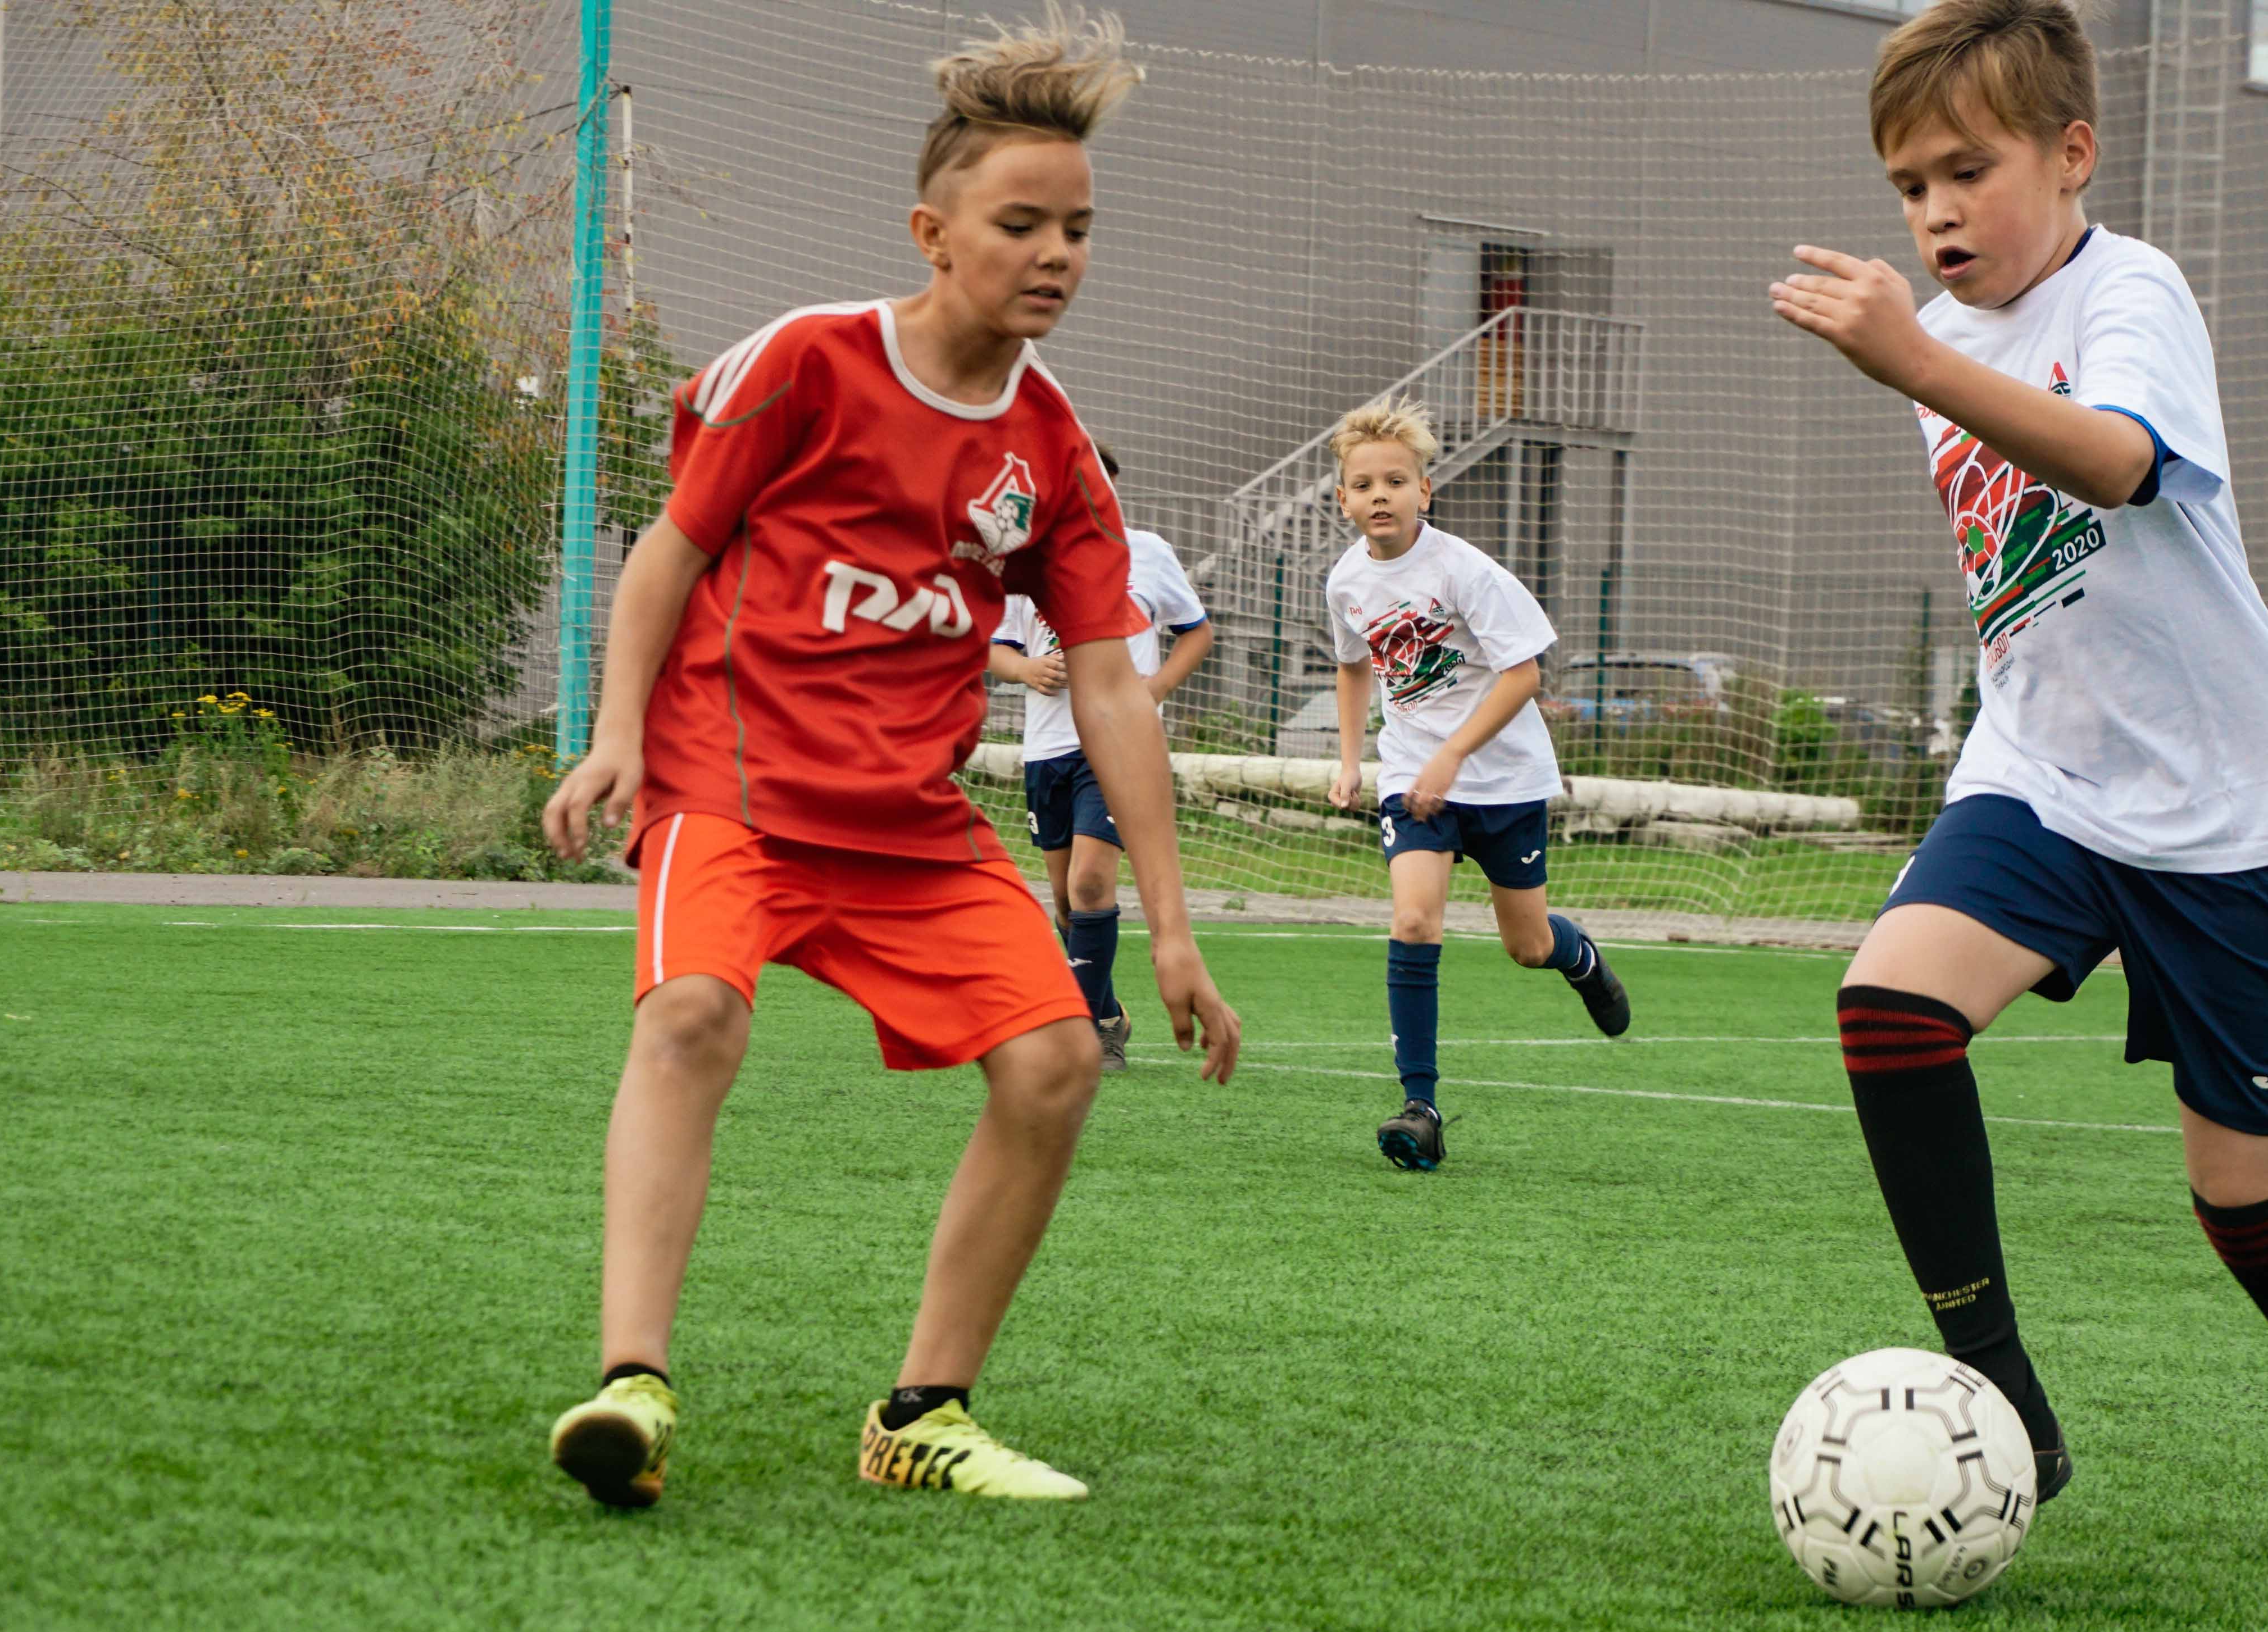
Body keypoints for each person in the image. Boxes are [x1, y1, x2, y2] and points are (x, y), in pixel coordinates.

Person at [535, 10, 1240, 1509]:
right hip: (731, 790)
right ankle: (631, 1388)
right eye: (1022, 224)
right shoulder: (805, 365)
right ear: (933, 231)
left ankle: (923, 1414)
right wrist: (612, 740)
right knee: (691, 1021)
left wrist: (1172, 927)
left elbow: (1114, 693)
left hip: (907, 826)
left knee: (1055, 1065)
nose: (1056, 253)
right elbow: (669, 557)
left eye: (1080, 230)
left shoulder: (1052, 452)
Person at [1770, 0, 2268, 1563]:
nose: (1933, 209)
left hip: (2228, 808)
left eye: (1965, 169)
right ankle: (2005, 1405)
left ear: (2073, 156)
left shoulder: (2132, 292)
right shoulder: (1945, 338)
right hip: (2044, 774)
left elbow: (2120, 461)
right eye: (1906, 183)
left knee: (2247, 1202)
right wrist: (1925, 355)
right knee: (1890, 1007)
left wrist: (1914, 357)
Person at [1322, 397, 1630, 1170]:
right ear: (1344, 500)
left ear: (1426, 490)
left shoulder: (1467, 571)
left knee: (1526, 946)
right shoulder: (1347, 582)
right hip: (1412, 778)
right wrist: (1354, 760)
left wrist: (1454, 755)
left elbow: (1524, 673)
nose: (1381, 495)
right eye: (1364, 485)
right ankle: (1419, 1106)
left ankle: (1580, 959)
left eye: (1397, 480)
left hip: (1503, 778)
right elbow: (1355, 665)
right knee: (1415, 921)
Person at [986, 445, 1212, 1073]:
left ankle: (1086, 1038)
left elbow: (1197, 630)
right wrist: (1027, 668)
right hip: (1048, 749)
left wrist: (1157, 688)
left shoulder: (1147, 553)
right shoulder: (1022, 563)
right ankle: (1108, 1010)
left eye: (1097, 488)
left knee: (1091, 882)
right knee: (1066, 900)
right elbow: (996, 647)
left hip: (1117, 746)